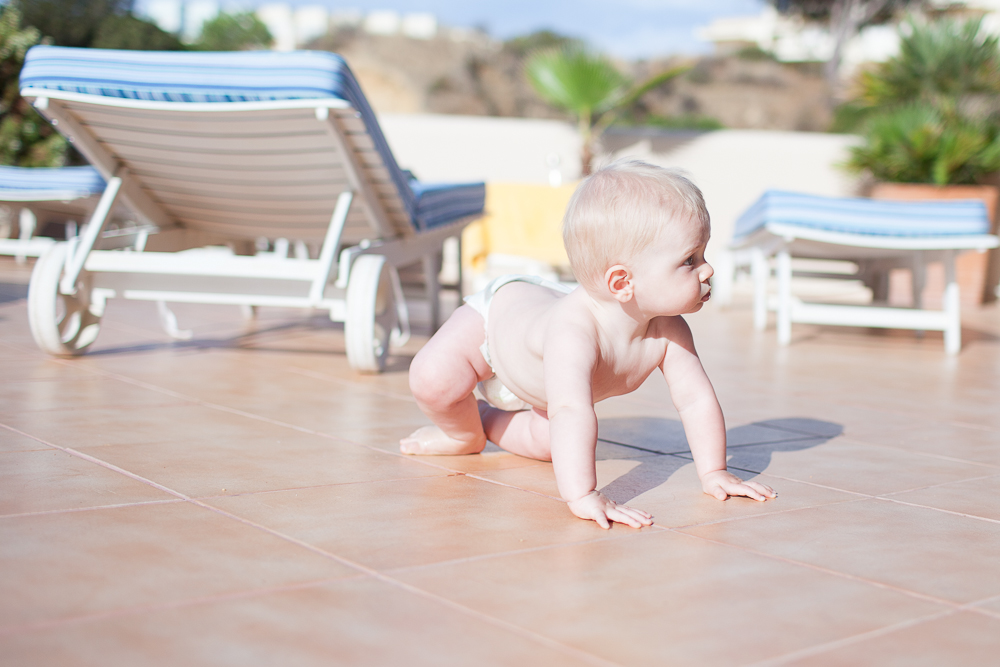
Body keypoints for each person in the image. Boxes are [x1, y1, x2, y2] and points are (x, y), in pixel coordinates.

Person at [400, 159, 776, 529]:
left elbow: (695, 401)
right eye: (690, 260)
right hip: (496, 326)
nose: (708, 269)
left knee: (551, 445)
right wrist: (582, 494)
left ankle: (483, 420)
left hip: (541, 384)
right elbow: (570, 411)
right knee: (433, 378)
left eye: (703, 254)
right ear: (622, 283)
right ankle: (461, 433)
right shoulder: (573, 333)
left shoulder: (669, 331)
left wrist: (714, 472)